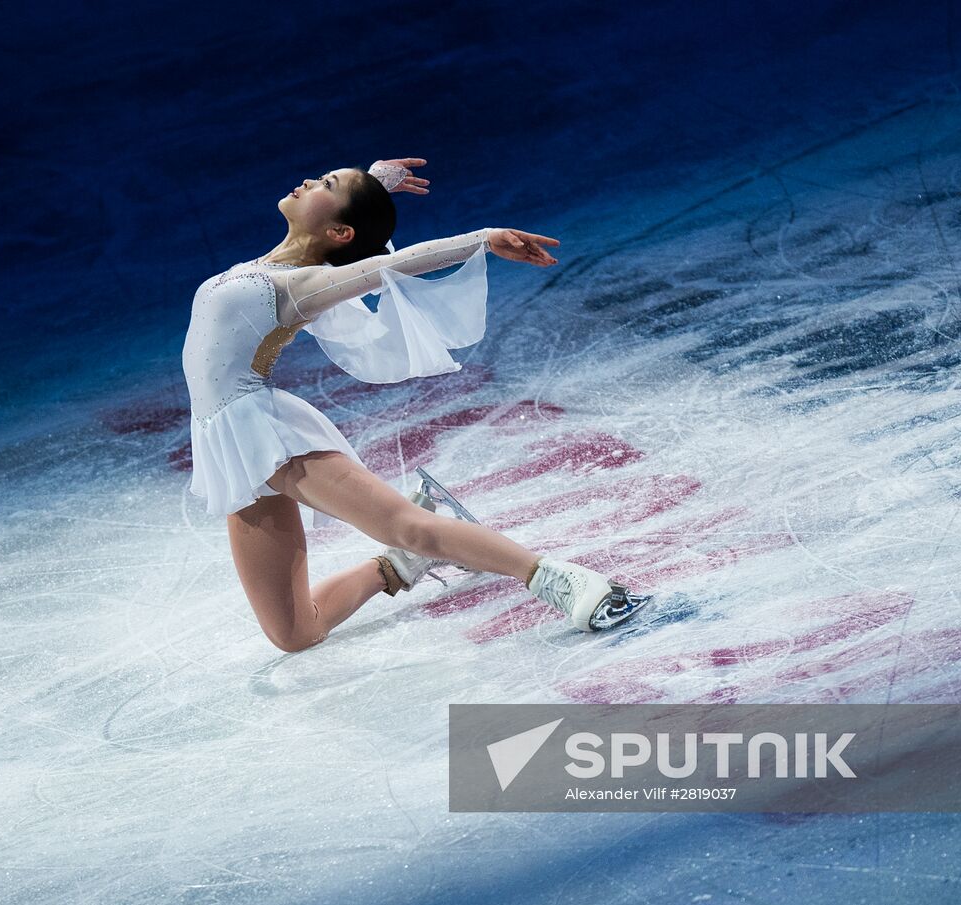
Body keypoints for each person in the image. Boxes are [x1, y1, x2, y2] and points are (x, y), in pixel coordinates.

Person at [181, 157, 650, 652]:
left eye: (325, 184)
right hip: (227, 443)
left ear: (340, 231)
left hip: (261, 432)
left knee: (407, 526)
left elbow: (392, 264)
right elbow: (343, 238)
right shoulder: (275, 266)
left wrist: (482, 238)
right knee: (295, 632)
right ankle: (398, 566)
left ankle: (566, 583)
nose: (307, 180)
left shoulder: (299, 288)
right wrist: (376, 185)